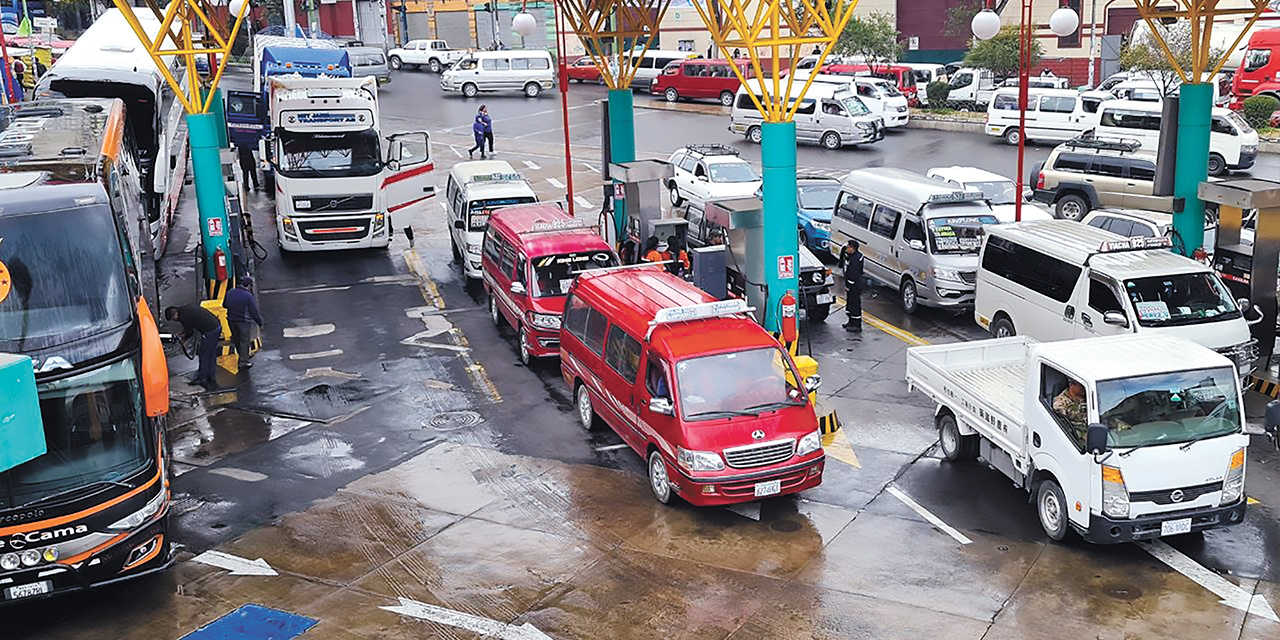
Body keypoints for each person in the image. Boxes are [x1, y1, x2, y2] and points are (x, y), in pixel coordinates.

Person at [166, 303, 222, 388]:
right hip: (216, 325)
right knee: (211, 353)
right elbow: (189, 325)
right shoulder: (184, 309)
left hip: (210, 330)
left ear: (175, 315)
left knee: (204, 354)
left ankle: (202, 378)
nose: (175, 320)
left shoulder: (183, 316)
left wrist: (183, 339)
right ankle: (211, 376)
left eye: (173, 319)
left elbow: (190, 332)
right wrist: (181, 333)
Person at [224, 276, 265, 369]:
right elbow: (254, 312)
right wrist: (260, 323)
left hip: (231, 320)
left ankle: (242, 356)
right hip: (243, 321)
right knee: (244, 340)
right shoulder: (248, 296)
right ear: (249, 285)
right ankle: (243, 361)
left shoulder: (230, 292)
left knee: (237, 339)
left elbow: (224, 305)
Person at [839, 240, 864, 332]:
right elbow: (842, 265)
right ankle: (850, 321)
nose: (847, 249)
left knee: (854, 304)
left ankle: (856, 325)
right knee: (849, 303)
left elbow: (853, 273)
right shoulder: (849, 256)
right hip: (849, 284)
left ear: (853, 248)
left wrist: (849, 285)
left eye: (848, 247)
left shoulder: (856, 258)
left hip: (854, 285)